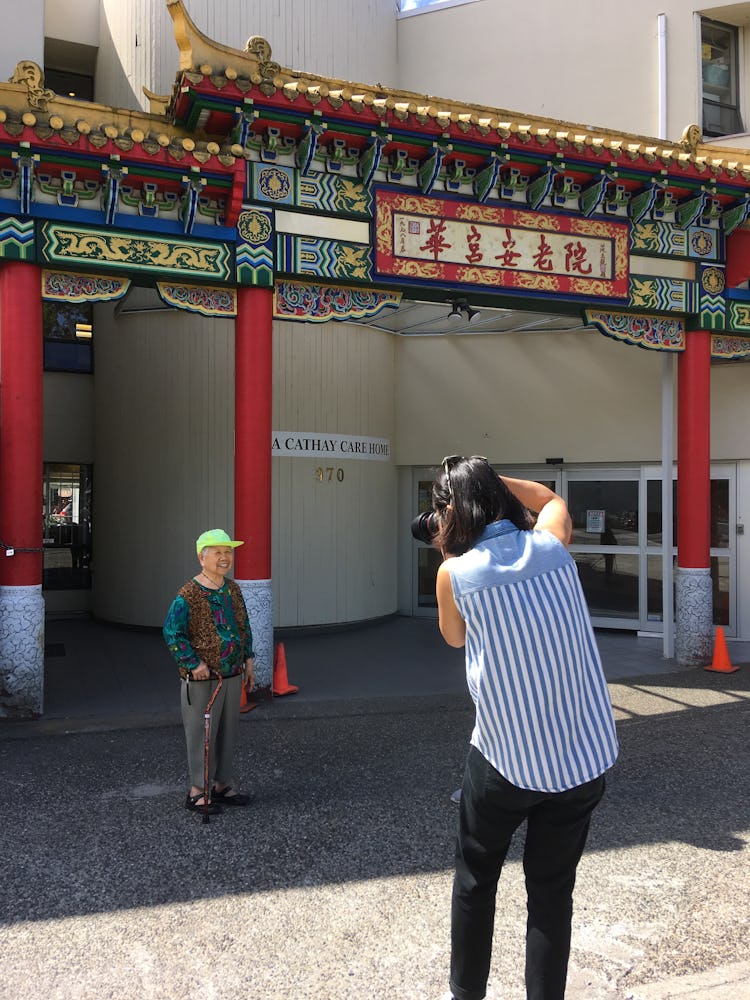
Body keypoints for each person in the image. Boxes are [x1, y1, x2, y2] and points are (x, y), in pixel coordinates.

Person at [432, 457, 619, 1000]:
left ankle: (466, 994)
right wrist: (488, 479)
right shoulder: (553, 547)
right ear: (496, 494)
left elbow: (454, 638)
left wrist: (453, 542)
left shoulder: (455, 574)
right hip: (583, 758)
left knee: (476, 879)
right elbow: (551, 500)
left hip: (505, 761)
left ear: (452, 509)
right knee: (552, 892)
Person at [163, 528, 256, 815]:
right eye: (217, 552)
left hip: (231, 674)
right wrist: (194, 663)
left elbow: (244, 626)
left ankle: (222, 785)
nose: (225, 557)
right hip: (203, 679)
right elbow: (172, 633)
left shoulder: (233, 589)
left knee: (228, 733)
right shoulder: (188, 594)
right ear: (202, 558)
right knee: (201, 733)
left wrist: (249, 660)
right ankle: (197, 791)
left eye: (228, 552)